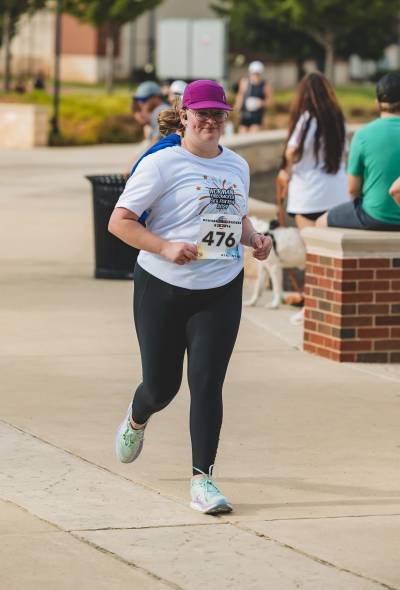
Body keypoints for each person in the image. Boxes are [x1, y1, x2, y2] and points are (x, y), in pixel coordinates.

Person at [109, 79, 272, 515]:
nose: (210, 121)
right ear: (184, 115)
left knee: (207, 383)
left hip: (220, 288)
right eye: (202, 113)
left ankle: (203, 480)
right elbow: (119, 222)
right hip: (162, 287)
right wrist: (164, 247)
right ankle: (138, 416)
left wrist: (255, 238)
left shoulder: (237, 165)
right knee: (162, 387)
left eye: (218, 114)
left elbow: (236, 218)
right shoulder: (162, 164)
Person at [316, 72, 400, 230]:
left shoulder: (362, 135)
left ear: (377, 103)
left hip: (374, 216)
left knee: (320, 222)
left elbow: (352, 189)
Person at [277, 72, 351, 231]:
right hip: (338, 196)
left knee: (311, 244)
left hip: (309, 196)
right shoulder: (338, 119)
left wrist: (285, 171)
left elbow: (292, 151)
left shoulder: (307, 118)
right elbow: (345, 151)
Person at [234, 60, 273, 133]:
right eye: (253, 73)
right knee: (242, 134)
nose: (255, 75)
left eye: (257, 73)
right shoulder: (245, 83)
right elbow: (240, 96)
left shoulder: (265, 85)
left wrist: (262, 103)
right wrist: (237, 109)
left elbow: (270, 102)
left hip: (257, 116)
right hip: (245, 115)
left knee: (253, 133)